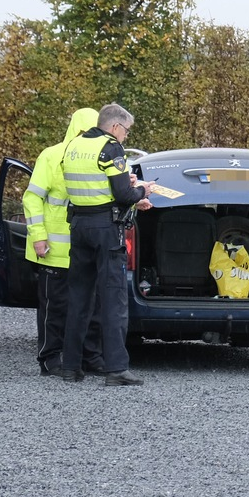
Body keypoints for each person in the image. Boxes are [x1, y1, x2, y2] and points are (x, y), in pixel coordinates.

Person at [56, 103, 156, 385]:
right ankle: (116, 369)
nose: (126, 136)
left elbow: (93, 184)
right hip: (105, 229)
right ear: (114, 126)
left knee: (79, 298)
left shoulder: (74, 145)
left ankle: (70, 367)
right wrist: (142, 190)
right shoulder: (111, 148)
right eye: (126, 130)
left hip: (79, 226)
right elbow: (123, 195)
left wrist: (124, 184)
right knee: (114, 299)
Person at [22, 108, 106, 376]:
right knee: (55, 308)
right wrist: (38, 236)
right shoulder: (52, 155)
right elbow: (32, 198)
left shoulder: (102, 155)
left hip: (85, 246)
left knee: (92, 307)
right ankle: (50, 358)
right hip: (54, 249)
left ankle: (89, 356)